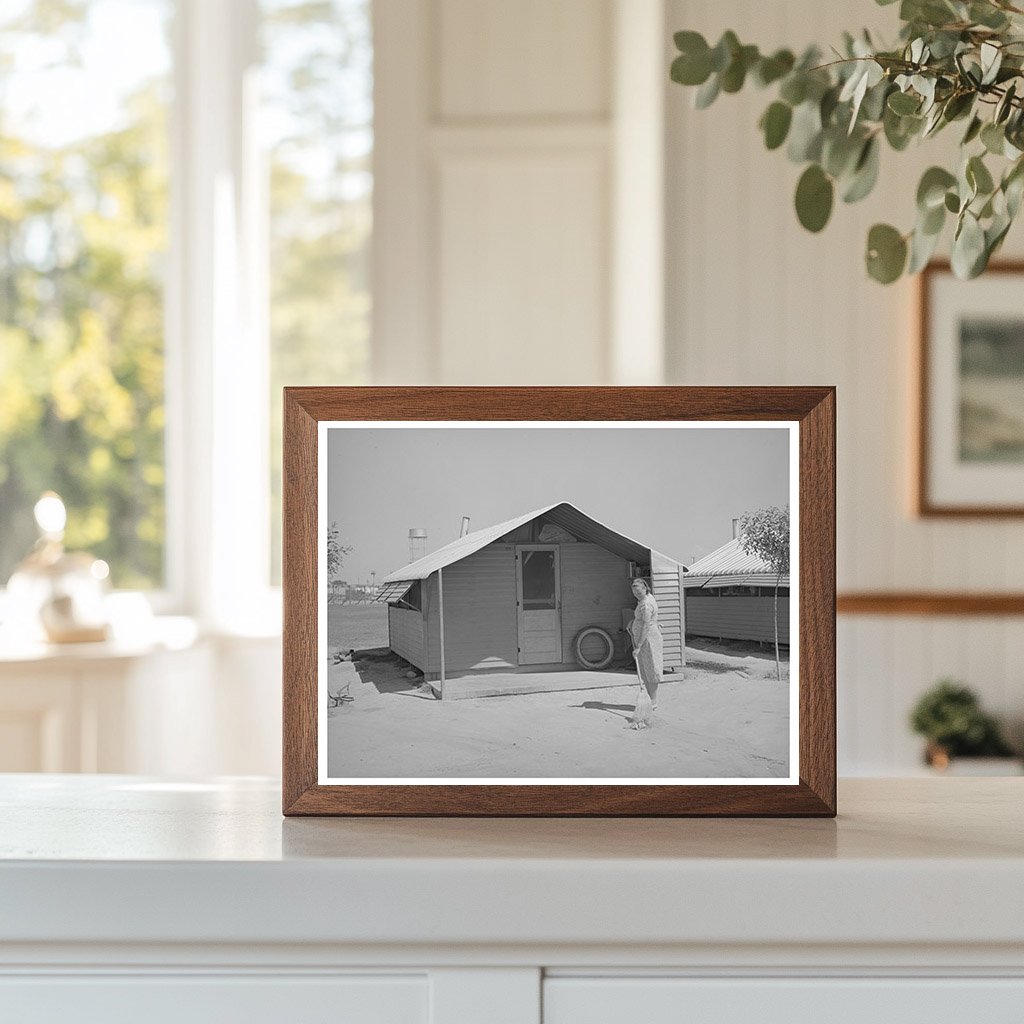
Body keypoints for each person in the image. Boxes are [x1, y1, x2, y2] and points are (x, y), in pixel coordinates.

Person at [628, 577, 663, 730]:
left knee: (651, 669)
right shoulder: (644, 599)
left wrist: (639, 646)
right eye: (634, 592)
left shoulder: (646, 604)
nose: (636, 594)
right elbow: (641, 620)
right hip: (645, 639)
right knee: (645, 669)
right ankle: (649, 699)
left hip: (648, 640)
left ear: (645, 588)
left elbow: (646, 625)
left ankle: (653, 702)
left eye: (638, 591)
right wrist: (632, 622)